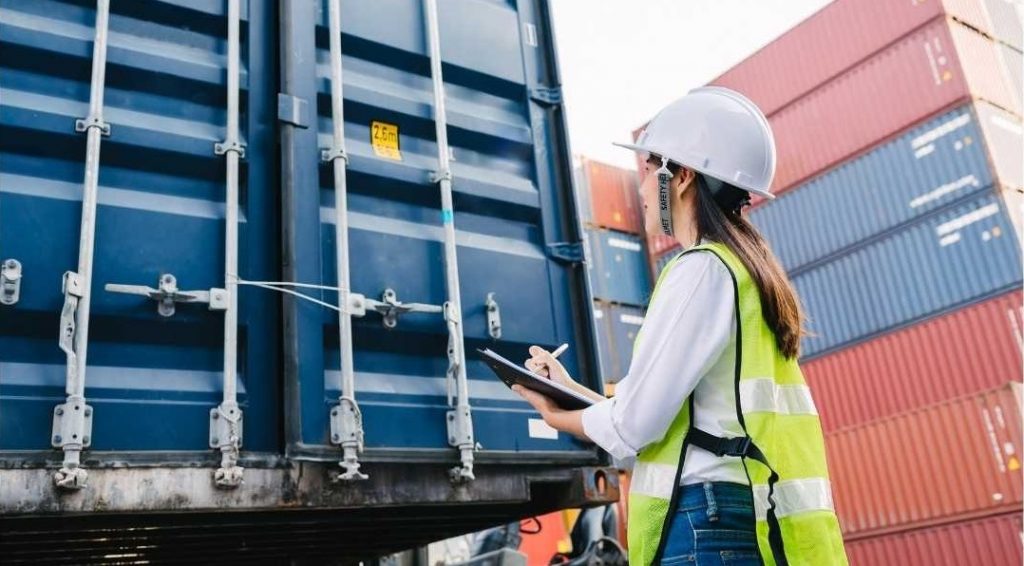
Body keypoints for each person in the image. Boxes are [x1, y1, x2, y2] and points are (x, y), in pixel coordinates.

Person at [511, 87, 848, 566]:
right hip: (736, 515)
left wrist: (553, 414)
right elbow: (674, 415)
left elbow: (633, 427)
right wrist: (569, 389)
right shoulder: (744, 271)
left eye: (648, 169)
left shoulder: (701, 270)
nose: (642, 189)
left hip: (704, 524)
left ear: (682, 176)